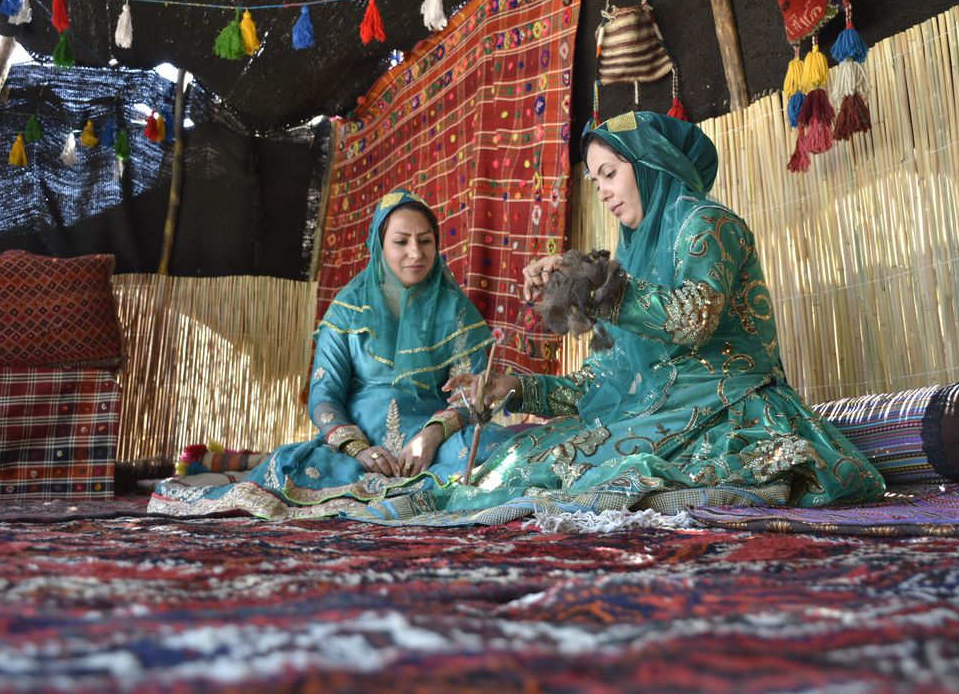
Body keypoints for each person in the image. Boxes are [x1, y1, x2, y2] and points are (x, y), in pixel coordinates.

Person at [355, 111, 884, 526]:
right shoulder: (629, 259)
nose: (602, 191)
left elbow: (693, 318)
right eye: (595, 179)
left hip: (729, 401)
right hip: (656, 404)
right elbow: (602, 379)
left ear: (650, 163)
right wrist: (514, 386)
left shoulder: (709, 225)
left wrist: (594, 282)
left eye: (610, 173)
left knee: (607, 472)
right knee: (528, 457)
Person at [148, 189, 510, 519]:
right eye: (401, 242)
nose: (415, 253)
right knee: (292, 467)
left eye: (425, 241)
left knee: (500, 454)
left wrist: (431, 436)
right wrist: (358, 450)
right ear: (379, 246)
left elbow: (473, 390)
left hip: (433, 450)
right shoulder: (348, 310)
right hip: (357, 450)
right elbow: (325, 394)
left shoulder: (455, 310)